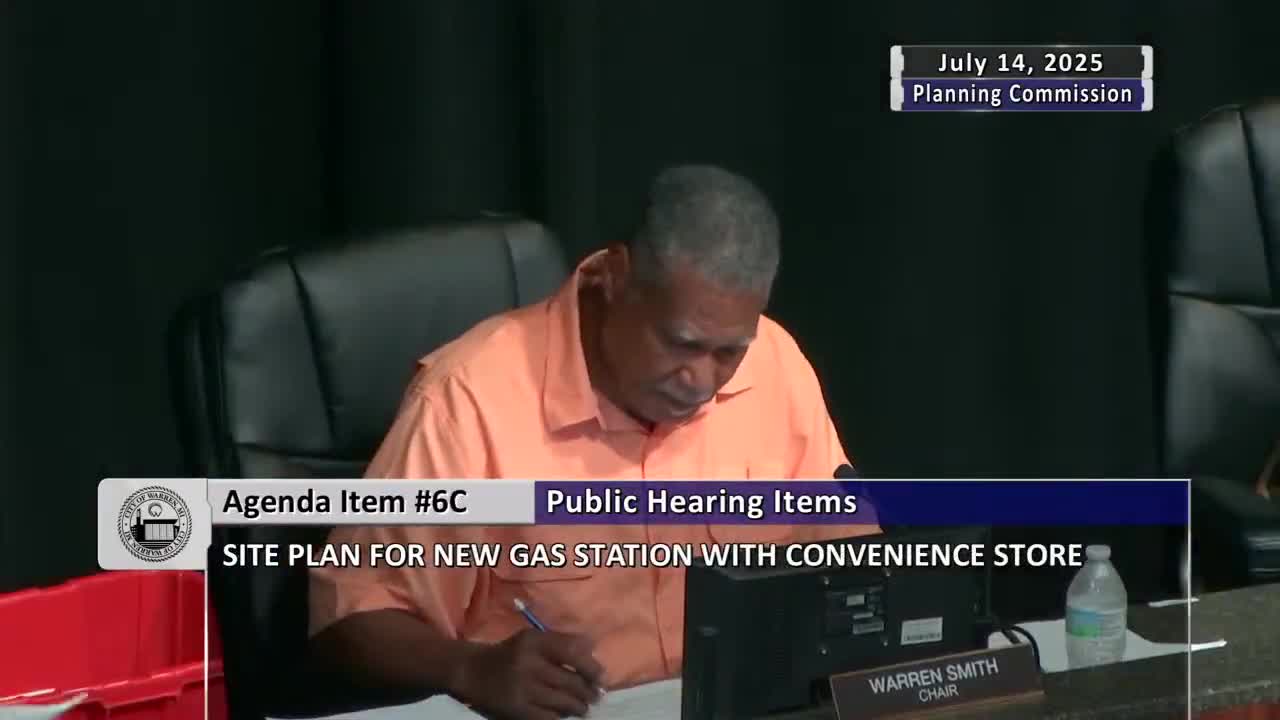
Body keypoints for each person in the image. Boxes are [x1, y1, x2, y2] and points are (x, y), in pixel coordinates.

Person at [308, 165, 879, 720]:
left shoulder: (775, 365)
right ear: (616, 276)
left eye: (728, 352)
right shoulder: (468, 400)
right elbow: (352, 619)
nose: (701, 380)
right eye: (680, 344)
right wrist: (471, 669)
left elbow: (857, 570)